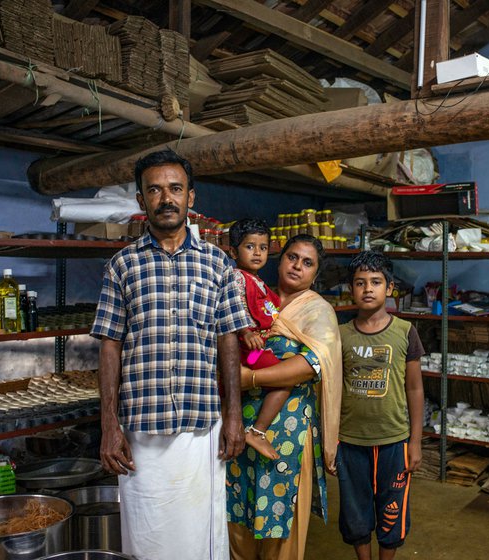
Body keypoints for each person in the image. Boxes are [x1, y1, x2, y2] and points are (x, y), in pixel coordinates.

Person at [91, 149, 253, 560]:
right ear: (142, 201)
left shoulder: (218, 265)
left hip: (202, 429)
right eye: (155, 190)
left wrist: (234, 417)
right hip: (140, 432)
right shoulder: (122, 265)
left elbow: (229, 340)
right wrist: (109, 425)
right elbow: (110, 344)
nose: (167, 198)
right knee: (148, 538)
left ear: (191, 198)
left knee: (200, 537)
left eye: (175, 189)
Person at [227, 234, 342, 560]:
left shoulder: (318, 311)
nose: (297, 266)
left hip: (289, 431)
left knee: (281, 523)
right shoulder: (255, 299)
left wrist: (249, 377)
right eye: (293, 257)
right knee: (237, 514)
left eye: (308, 263)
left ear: (315, 275)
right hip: (241, 421)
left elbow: (310, 364)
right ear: (281, 259)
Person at [337, 251, 425, 560]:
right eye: (360, 283)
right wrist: (331, 442)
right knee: (355, 511)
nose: (368, 289)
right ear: (351, 289)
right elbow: (333, 391)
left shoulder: (404, 332)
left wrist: (415, 441)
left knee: (392, 510)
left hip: (394, 441)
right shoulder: (341, 335)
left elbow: (414, 389)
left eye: (376, 282)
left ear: (389, 288)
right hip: (349, 441)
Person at [228, 218, 290, 461]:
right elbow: (235, 307)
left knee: (230, 400)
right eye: (250, 246)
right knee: (285, 378)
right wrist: (246, 332)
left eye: (263, 248)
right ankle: (257, 432)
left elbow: (273, 310)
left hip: (254, 350)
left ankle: (225, 454)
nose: (257, 253)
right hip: (245, 347)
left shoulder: (259, 282)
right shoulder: (237, 278)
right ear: (233, 251)